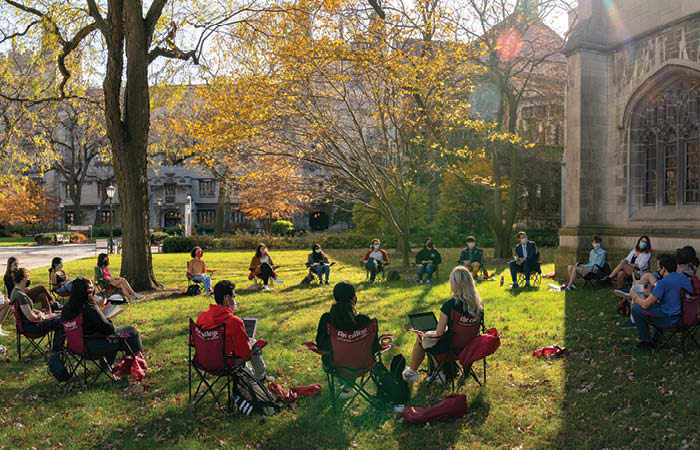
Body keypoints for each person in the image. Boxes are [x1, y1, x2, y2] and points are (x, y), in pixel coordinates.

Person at [402, 266, 483, 384]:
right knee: (431, 338)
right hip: (470, 347)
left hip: (451, 348)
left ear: (454, 284)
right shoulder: (478, 305)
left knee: (422, 339)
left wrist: (427, 334)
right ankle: (437, 372)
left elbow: (438, 334)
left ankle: (414, 373)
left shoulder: (449, 305)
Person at [196, 280, 273, 382]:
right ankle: (260, 376)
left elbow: (194, 342)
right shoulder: (234, 322)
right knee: (254, 345)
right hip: (224, 365)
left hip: (203, 362)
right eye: (234, 297)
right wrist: (249, 345)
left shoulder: (202, 316)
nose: (234, 300)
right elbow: (245, 354)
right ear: (227, 299)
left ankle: (250, 376)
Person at [316, 281, 379, 396]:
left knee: (340, 357)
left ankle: (346, 386)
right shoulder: (364, 320)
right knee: (351, 356)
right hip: (363, 364)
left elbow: (321, 346)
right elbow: (375, 347)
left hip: (335, 366)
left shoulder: (327, 319)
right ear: (354, 299)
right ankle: (348, 385)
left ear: (335, 298)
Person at [61, 278, 142, 365]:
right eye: (90, 289)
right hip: (95, 346)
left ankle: (107, 366)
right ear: (85, 291)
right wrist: (107, 320)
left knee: (114, 336)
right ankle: (137, 366)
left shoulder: (66, 308)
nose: (93, 292)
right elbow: (108, 330)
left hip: (75, 347)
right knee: (131, 331)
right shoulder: (89, 307)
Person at [629, 254, 693, 351]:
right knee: (657, 305)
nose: (658, 270)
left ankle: (646, 342)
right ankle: (655, 339)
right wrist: (652, 293)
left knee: (637, 309)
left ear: (664, 268)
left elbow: (645, 304)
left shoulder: (663, 283)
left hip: (671, 321)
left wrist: (635, 296)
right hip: (687, 317)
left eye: (659, 268)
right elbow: (674, 296)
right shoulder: (684, 278)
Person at [10, 268, 64, 352]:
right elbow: (31, 317)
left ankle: (57, 349)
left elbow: (27, 309)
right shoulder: (21, 295)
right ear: (24, 279)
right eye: (28, 278)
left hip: (25, 325)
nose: (28, 280)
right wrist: (43, 316)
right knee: (60, 321)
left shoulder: (14, 292)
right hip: (32, 328)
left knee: (57, 315)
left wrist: (39, 312)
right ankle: (57, 351)